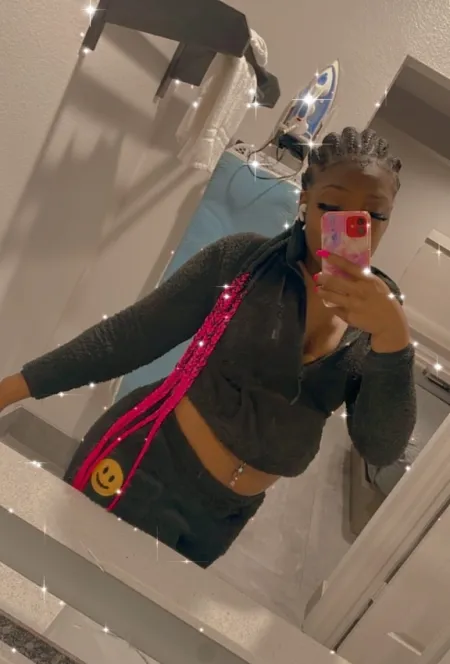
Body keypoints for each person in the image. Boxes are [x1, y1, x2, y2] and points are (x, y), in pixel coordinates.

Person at [0, 127, 416, 567]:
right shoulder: (243, 261)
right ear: (305, 200)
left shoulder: (380, 320)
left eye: (375, 214)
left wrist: (393, 341)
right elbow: (132, 335)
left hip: (223, 518)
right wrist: (10, 389)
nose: (353, 226)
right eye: (331, 207)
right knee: (49, 576)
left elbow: (380, 448)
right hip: (145, 465)